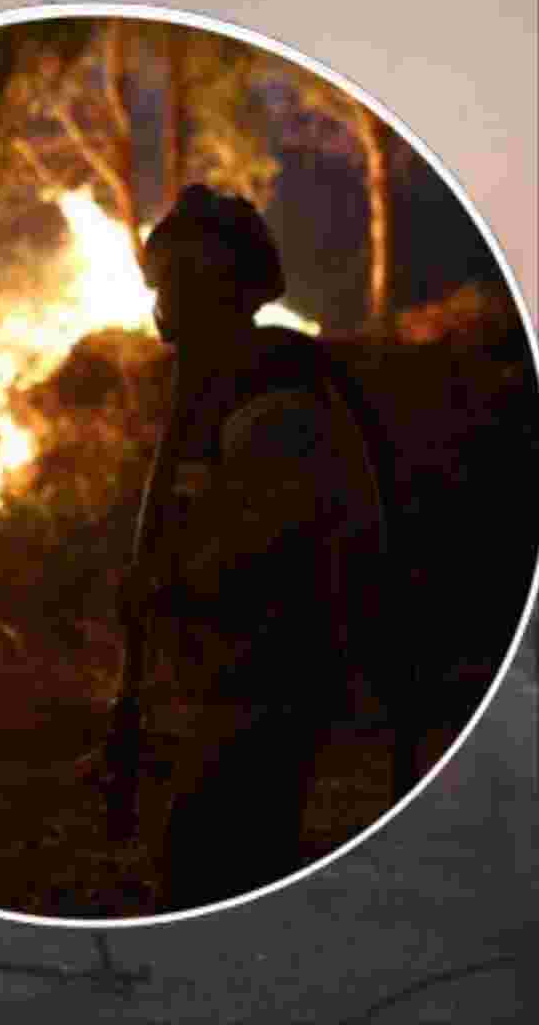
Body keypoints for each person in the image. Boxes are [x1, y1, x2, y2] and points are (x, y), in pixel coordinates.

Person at [111, 183, 388, 912]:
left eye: (179, 277)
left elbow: (270, 538)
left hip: (275, 673)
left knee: (213, 858)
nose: (163, 299)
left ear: (225, 284)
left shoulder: (274, 390)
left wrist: (168, 583)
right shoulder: (221, 382)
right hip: (236, 675)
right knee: (213, 851)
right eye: (161, 277)